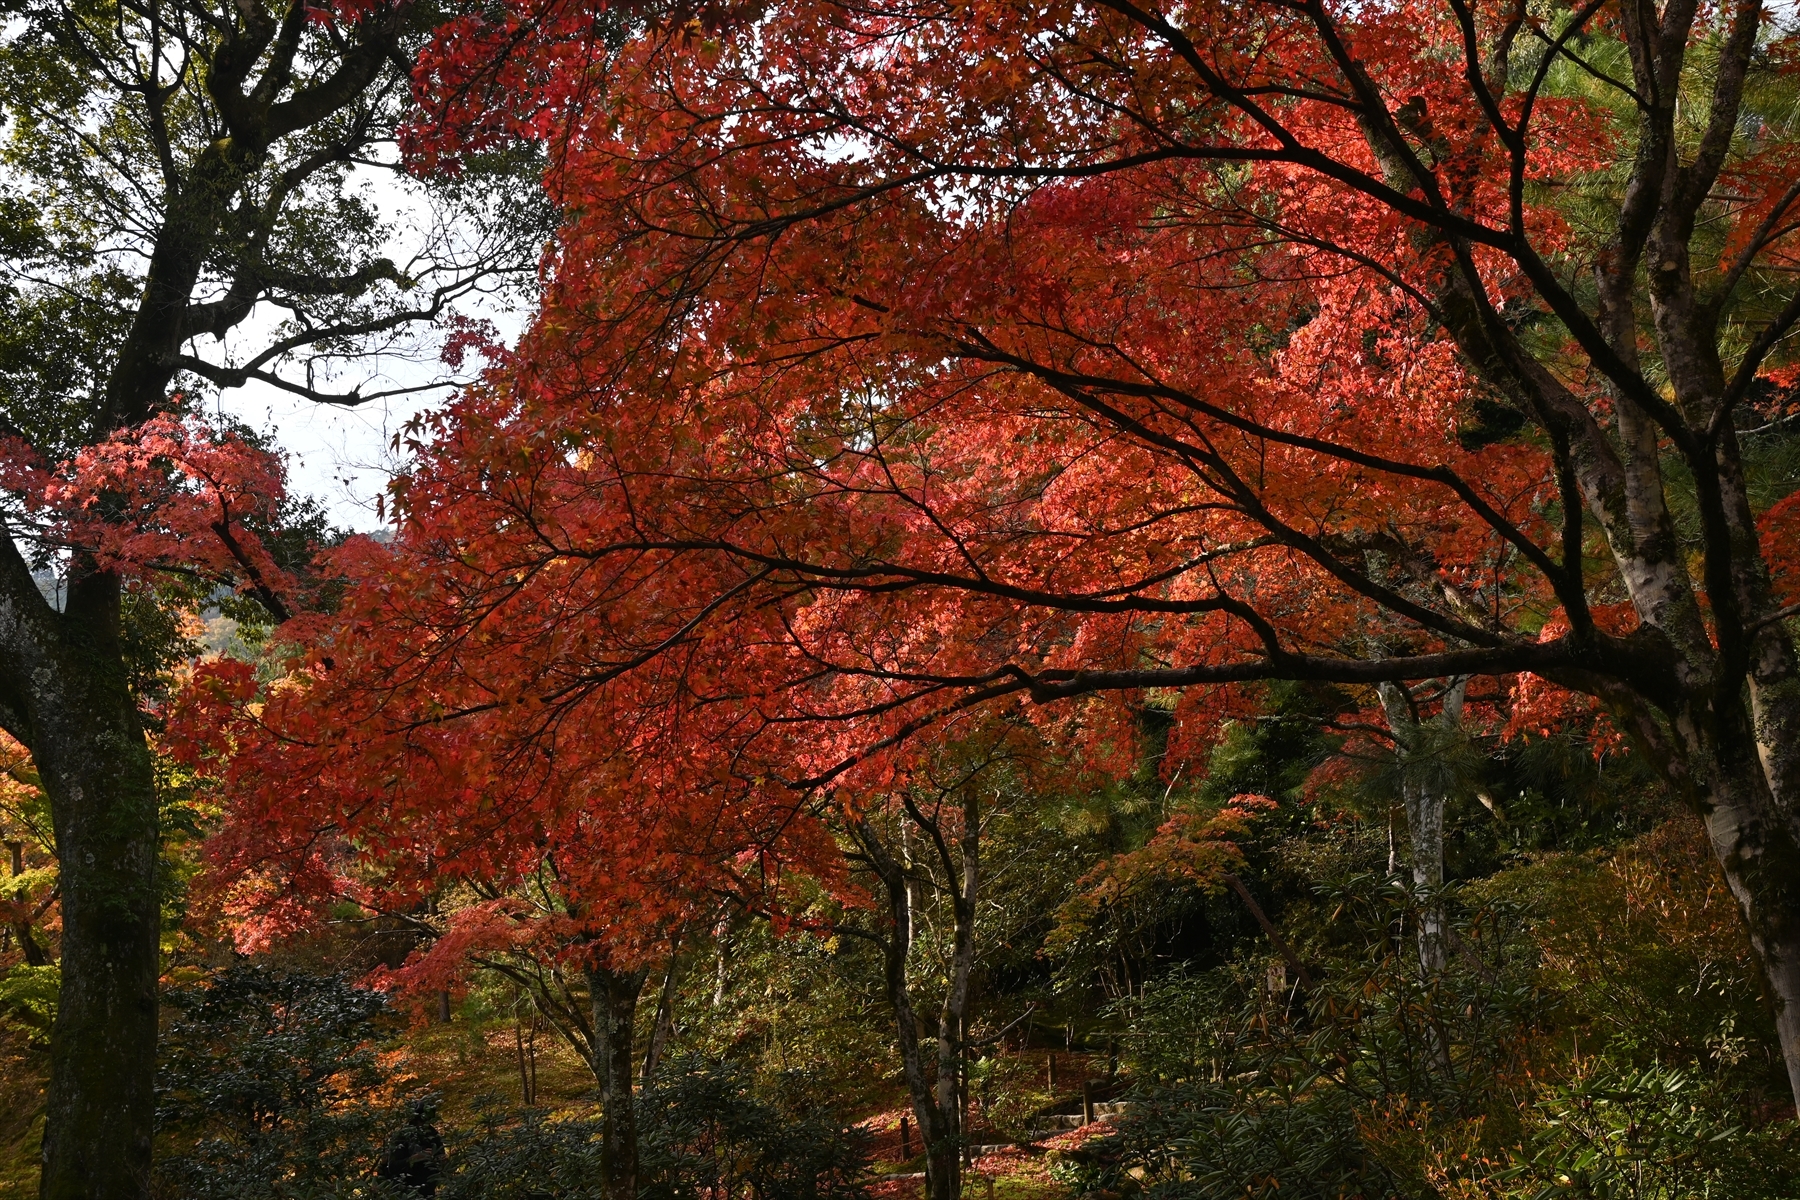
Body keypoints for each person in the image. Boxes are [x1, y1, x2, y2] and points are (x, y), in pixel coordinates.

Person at [379, 1096, 446, 1196]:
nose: (424, 1124)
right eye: (421, 1120)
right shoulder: (402, 1136)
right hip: (405, 1190)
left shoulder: (432, 1134)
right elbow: (392, 1167)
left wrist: (441, 1160)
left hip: (427, 1189)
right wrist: (414, 1159)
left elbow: (442, 1158)